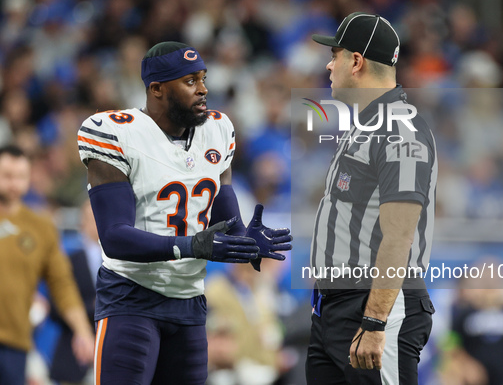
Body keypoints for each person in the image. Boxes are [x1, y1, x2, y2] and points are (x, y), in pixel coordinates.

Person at [77, 41, 291, 385]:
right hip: (131, 297)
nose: (204, 89)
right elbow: (114, 236)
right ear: (157, 89)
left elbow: (226, 222)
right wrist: (190, 246)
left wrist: (244, 240)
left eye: (203, 78)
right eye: (190, 81)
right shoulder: (115, 132)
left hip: (190, 302)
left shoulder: (217, 130)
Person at [305, 13, 438, 384]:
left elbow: (400, 235)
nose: (329, 65)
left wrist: (375, 321)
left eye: (336, 54)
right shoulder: (366, 122)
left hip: (373, 307)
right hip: (332, 310)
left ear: (357, 61)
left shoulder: (400, 129)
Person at [0, 145, 95, 385]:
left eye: (20, 176)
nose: (14, 184)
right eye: (7, 176)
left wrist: (82, 330)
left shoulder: (41, 227)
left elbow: (62, 284)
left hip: (14, 342)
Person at [49, 200, 101, 385]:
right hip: (72, 357)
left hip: (111, 355)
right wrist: (92, 307)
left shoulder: (123, 264)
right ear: (82, 223)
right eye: (93, 219)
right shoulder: (68, 262)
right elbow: (55, 307)